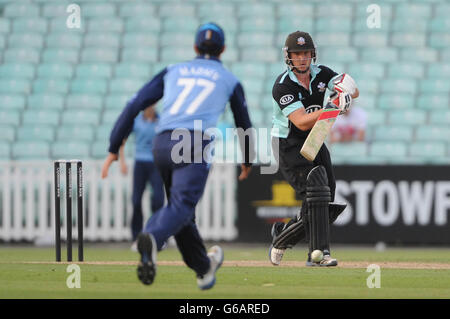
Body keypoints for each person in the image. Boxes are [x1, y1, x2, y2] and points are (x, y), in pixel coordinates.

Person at [103, 23, 254, 289]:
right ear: (224, 49)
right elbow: (243, 124)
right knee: (182, 205)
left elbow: (134, 104)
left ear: (195, 48)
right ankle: (151, 235)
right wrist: (248, 159)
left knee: (182, 211)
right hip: (194, 141)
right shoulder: (229, 79)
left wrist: (114, 146)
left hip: (162, 142)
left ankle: (203, 268)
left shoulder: (174, 70)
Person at [268, 31, 359, 267]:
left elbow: (353, 91)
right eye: (296, 54)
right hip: (288, 143)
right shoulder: (282, 85)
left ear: (312, 54)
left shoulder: (322, 74)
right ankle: (319, 254)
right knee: (316, 192)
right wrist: (333, 107)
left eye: (305, 53)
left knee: (326, 195)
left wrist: (345, 92)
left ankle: (283, 236)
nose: (302, 58)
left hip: (315, 137)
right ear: (288, 57)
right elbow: (300, 121)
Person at [102, 105, 165, 251]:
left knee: (158, 201)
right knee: (136, 200)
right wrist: (122, 162)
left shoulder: (161, 120)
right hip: (140, 164)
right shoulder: (137, 121)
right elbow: (122, 140)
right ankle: (137, 238)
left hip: (156, 164)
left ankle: (157, 236)